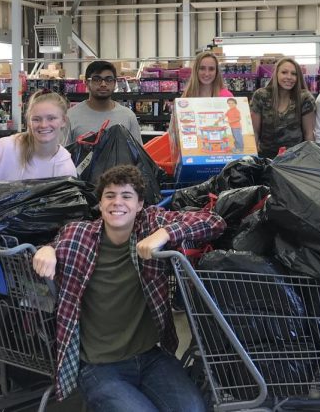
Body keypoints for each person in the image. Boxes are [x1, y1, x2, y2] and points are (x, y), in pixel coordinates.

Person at [31, 165, 225, 411]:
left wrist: (165, 233)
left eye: (126, 196)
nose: (117, 203)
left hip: (150, 356)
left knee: (193, 409)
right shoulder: (78, 235)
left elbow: (214, 221)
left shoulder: (151, 224)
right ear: (100, 204)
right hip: (98, 366)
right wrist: (47, 249)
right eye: (109, 196)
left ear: (139, 204)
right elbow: (55, 244)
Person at [0, 89, 77, 409]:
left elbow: (62, 218)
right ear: (27, 119)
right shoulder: (4, 148)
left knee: (0, 318)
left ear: (63, 122)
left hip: (26, 261)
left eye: (50, 118)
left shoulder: (64, 165)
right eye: (37, 118)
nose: (43, 124)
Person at [250, 56, 316, 158]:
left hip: (295, 160)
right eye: (284, 72)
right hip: (265, 159)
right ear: (276, 74)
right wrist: (251, 158)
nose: (289, 77)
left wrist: (310, 160)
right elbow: (254, 132)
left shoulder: (305, 98)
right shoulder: (261, 96)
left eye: (293, 74)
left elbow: (309, 135)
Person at [68, 60, 142, 144]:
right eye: (97, 79)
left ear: (114, 83)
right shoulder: (71, 116)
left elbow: (137, 154)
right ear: (87, 83)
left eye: (109, 79)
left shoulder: (128, 116)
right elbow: (61, 154)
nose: (103, 84)